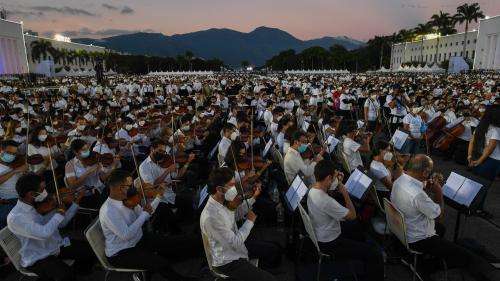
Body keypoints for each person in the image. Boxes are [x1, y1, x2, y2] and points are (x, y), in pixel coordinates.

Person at [391, 154, 498, 281]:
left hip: (402, 230)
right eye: (429, 172)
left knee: (441, 229)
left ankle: (425, 259)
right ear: (425, 172)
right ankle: (426, 267)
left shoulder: (399, 179)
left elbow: (415, 190)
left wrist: (425, 184)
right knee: (466, 257)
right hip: (418, 239)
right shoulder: (418, 195)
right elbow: (439, 215)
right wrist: (438, 192)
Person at [99, 169, 200, 281]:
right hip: (121, 252)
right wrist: (144, 214)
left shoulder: (127, 200)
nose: (133, 188)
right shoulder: (109, 211)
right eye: (130, 185)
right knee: (160, 262)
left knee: (174, 242)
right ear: (120, 188)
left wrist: (158, 197)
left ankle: (199, 247)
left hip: (138, 239)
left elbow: (146, 214)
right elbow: (126, 235)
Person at [7, 173, 94, 281]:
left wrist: (75, 202)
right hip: (39, 256)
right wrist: (59, 212)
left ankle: (79, 272)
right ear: (31, 194)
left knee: (89, 249)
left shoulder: (40, 204)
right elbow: (44, 233)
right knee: (65, 275)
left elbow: (62, 223)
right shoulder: (16, 218)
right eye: (42, 189)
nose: (46, 193)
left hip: (56, 245)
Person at [307, 160, 384, 281]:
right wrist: (345, 192)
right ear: (328, 178)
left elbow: (327, 197)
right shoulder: (325, 200)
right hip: (331, 243)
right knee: (374, 254)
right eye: (334, 178)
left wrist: (337, 183)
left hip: (322, 232)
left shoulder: (312, 189)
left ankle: (362, 262)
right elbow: (352, 216)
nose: (335, 180)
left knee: (357, 231)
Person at [200, 167, 276, 281]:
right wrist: (250, 221)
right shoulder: (211, 217)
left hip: (239, 249)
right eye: (231, 185)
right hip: (228, 262)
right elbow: (235, 243)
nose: (235, 188)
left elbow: (236, 214)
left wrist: (253, 197)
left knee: (273, 249)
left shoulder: (223, 201)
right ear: (219, 189)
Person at [468, 105, 500, 181]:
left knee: (474, 180)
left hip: (478, 154)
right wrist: (480, 161)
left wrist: (469, 155)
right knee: (483, 182)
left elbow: (472, 141)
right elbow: (490, 148)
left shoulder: (481, 126)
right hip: (492, 160)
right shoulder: (496, 130)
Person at [0, 140, 27, 228]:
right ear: (1, 150)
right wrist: (15, 171)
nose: (12, 156)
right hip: (9, 201)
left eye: (14, 154)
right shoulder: (15, 168)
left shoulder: (16, 163)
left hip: (22, 198)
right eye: (9, 152)